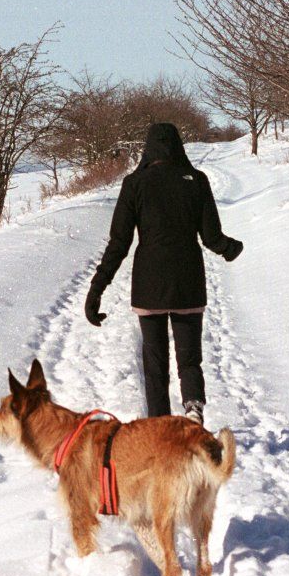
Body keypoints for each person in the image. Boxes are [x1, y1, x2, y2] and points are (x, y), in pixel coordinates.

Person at [83, 122, 243, 424]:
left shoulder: (135, 183)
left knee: (155, 364)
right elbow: (211, 237)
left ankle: (159, 425)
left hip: (149, 283)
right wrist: (230, 248)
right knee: (189, 357)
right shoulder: (196, 180)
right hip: (188, 281)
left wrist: (97, 289)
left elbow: (120, 243)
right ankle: (193, 408)